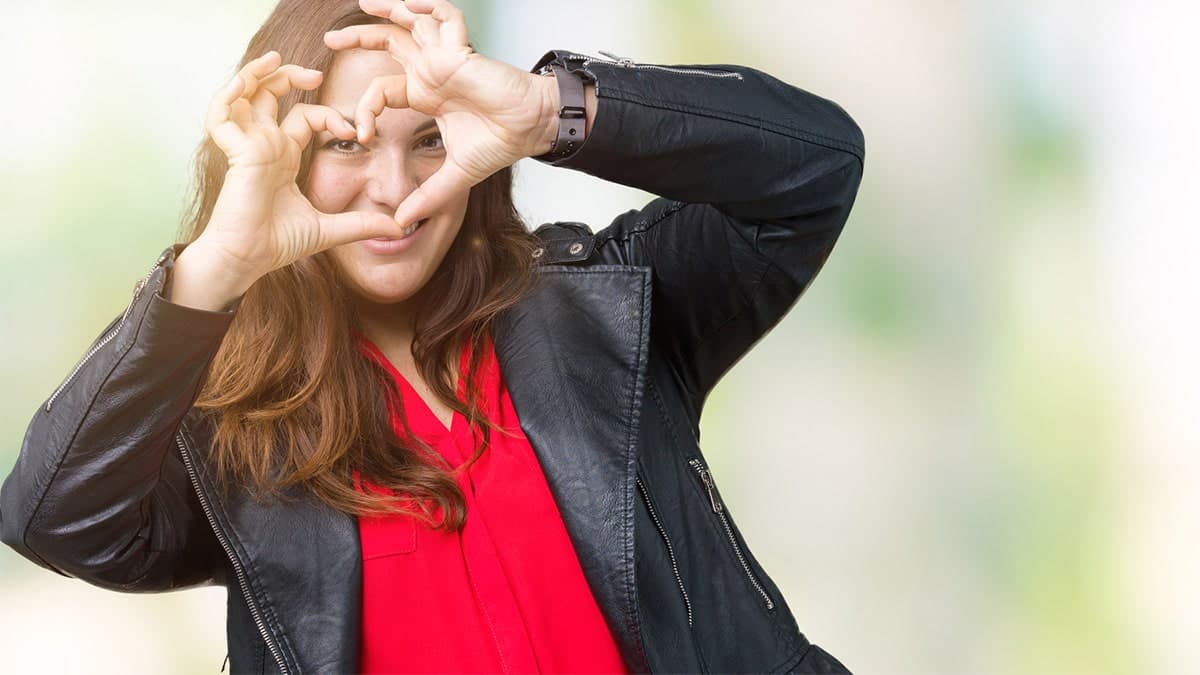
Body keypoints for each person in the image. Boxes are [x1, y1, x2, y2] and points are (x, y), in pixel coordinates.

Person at [0, 0, 864, 671]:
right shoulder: (223, 430)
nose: (393, 187)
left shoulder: (619, 305)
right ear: (284, 161)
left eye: (427, 141)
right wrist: (220, 262)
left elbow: (815, 167)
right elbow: (50, 516)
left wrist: (542, 109)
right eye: (346, 143)